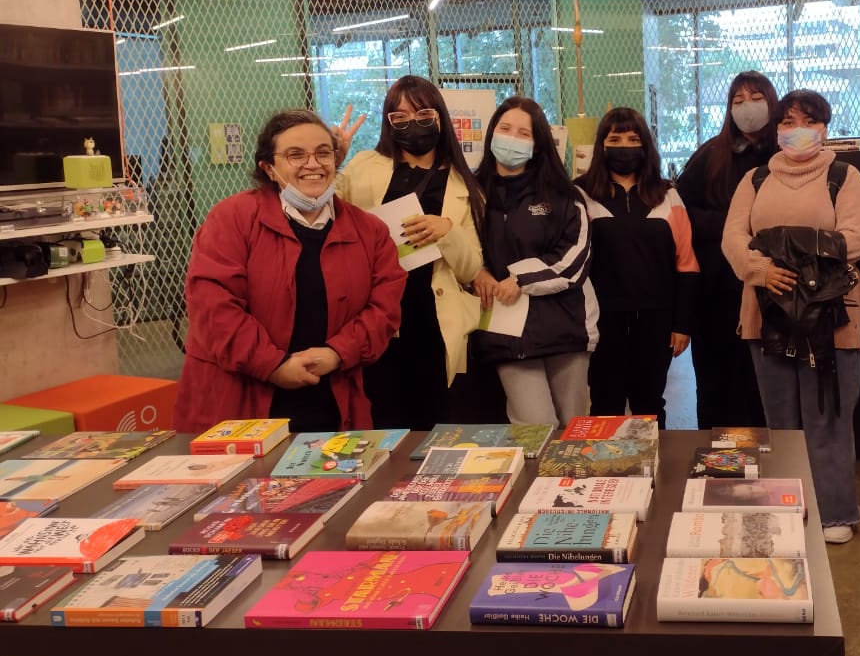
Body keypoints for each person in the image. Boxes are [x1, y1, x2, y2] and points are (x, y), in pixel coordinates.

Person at [175, 109, 405, 434]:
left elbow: (384, 309)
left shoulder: (370, 231)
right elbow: (213, 306)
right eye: (295, 155)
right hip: (239, 405)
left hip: (333, 403)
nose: (312, 164)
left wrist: (339, 353)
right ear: (269, 168)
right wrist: (272, 365)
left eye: (323, 153)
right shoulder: (232, 219)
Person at [722, 89, 860, 544]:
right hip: (764, 310)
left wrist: (789, 262)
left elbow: (856, 240)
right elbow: (733, 237)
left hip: (832, 313)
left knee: (828, 413)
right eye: (787, 121)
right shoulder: (754, 178)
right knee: (781, 415)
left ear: (824, 128)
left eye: (807, 120)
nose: (795, 129)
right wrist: (761, 270)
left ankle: (835, 511)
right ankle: (787, 503)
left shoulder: (844, 177)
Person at [336, 76, 486, 430]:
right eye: (399, 117)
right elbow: (325, 212)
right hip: (376, 312)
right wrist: (333, 161)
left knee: (432, 418)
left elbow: (471, 268)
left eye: (422, 113)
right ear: (388, 123)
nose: (411, 124)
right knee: (382, 416)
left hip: (433, 316)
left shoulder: (464, 183)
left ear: (439, 117)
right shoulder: (364, 165)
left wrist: (447, 232)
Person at [471, 96, 597, 428]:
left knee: (575, 430)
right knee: (535, 429)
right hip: (505, 332)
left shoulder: (565, 195)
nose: (512, 138)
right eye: (505, 128)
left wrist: (521, 279)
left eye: (523, 133)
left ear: (538, 143)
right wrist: (476, 272)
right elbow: (462, 249)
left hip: (565, 328)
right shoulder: (471, 192)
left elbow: (574, 259)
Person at [576, 107, 699, 427]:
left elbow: (687, 264)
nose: (624, 145)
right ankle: (605, 476)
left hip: (657, 320)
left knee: (650, 403)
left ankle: (654, 475)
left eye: (633, 138)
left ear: (645, 145)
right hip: (600, 320)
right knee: (605, 401)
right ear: (601, 145)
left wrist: (683, 325)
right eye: (614, 138)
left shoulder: (668, 194)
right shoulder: (580, 193)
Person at [676, 71, 779, 429]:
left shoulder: (785, 154)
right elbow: (681, 212)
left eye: (756, 99)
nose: (747, 108)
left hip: (773, 291)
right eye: (738, 101)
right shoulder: (710, 154)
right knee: (716, 383)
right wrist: (732, 227)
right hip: (716, 292)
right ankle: (715, 461)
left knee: (765, 385)